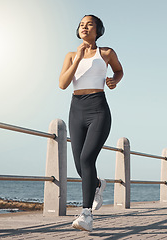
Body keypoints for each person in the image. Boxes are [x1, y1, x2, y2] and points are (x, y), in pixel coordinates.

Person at [59, 14, 123, 231]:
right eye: (82, 25)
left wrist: (114, 80)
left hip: (98, 109)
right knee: (79, 164)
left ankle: (86, 214)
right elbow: (62, 84)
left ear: (98, 30)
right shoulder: (70, 55)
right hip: (76, 109)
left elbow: (119, 70)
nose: (85, 27)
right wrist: (77, 58)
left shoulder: (106, 53)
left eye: (90, 24)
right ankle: (97, 184)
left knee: (87, 158)